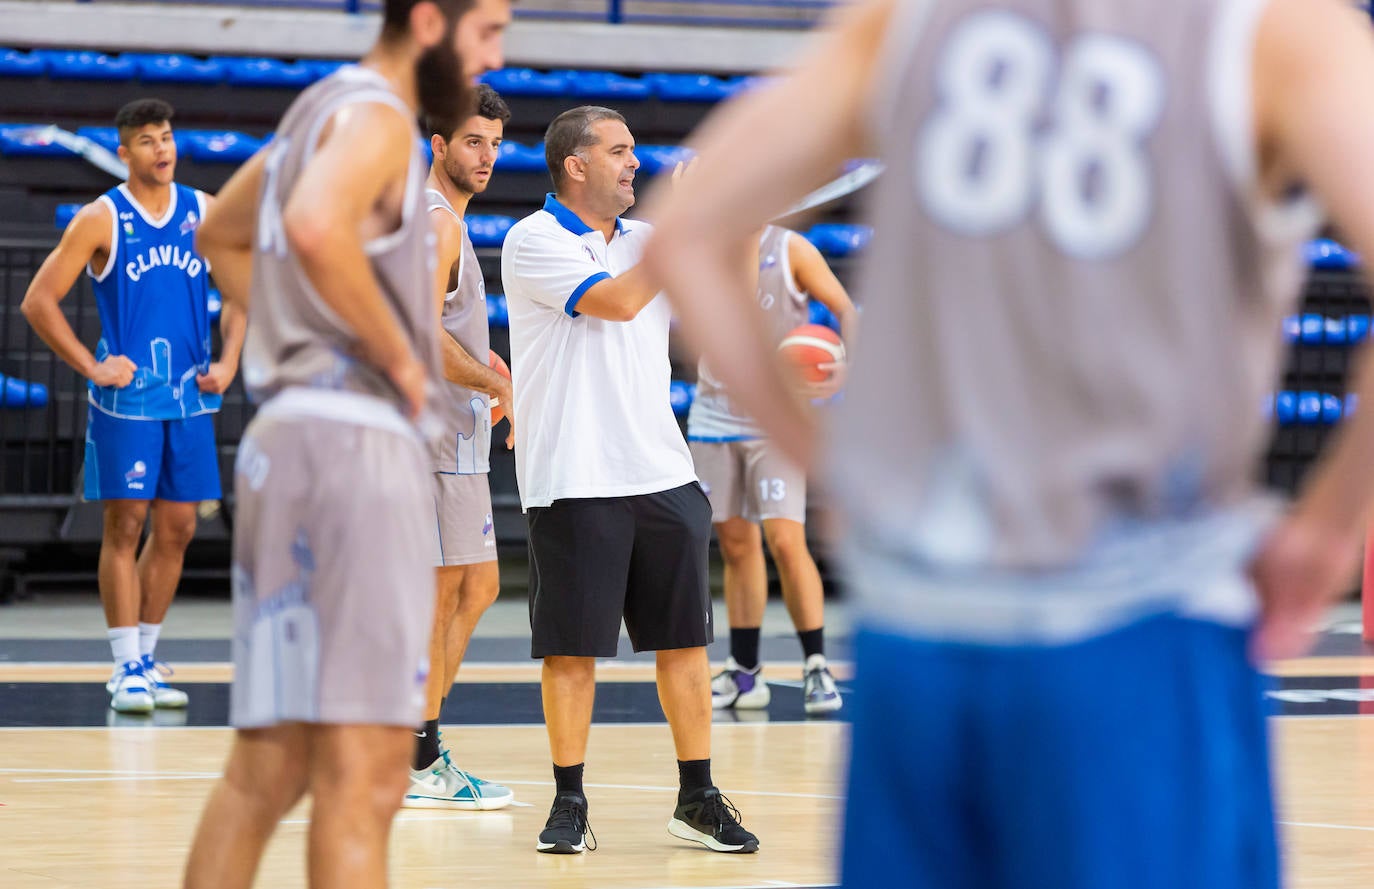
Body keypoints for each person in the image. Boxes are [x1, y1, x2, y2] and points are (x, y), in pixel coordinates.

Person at [643, 0, 1374, 886]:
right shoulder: (1280, 30)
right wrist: (1331, 524)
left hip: (921, 640)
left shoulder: (903, 22)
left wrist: (819, 455)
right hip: (1140, 632)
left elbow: (682, 237)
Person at [180, 1, 509, 886]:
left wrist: (304, 332)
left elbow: (220, 234)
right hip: (354, 449)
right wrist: (399, 358)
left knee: (269, 768)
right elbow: (319, 228)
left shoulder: (321, 107)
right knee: (366, 779)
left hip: (291, 439)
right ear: (432, 21)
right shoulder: (377, 119)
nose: (498, 53)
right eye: (490, 31)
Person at [502, 105, 759, 855]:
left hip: (662, 468)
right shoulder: (534, 240)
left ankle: (697, 796)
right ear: (574, 165)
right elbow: (615, 302)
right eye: (617, 151)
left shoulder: (647, 240)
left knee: (683, 642)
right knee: (573, 650)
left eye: (636, 151)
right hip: (575, 472)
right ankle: (570, 800)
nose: (634, 163)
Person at [21, 98, 241, 715]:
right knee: (126, 525)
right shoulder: (101, 218)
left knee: (180, 527)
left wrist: (230, 360)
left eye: (167, 137)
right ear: (124, 153)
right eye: (147, 140)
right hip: (127, 402)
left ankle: (144, 658)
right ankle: (124, 666)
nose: (162, 149)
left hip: (190, 401)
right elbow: (39, 301)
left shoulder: (204, 210)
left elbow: (242, 287)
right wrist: (91, 366)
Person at [402, 83, 515, 810]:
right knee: (450, 592)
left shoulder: (443, 219)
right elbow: (414, 330)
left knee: (474, 588)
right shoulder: (436, 222)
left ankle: (411, 743)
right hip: (436, 436)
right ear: (439, 145)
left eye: (496, 144)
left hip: (455, 432)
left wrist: (489, 367)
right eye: (473, 141)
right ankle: (416, 754)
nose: (488, 156)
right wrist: (495, 383)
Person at [690, 225, 856, 715]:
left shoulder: (790, 249)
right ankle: (745, 673)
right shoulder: (705, 245)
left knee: (786, 540)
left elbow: (845, 308)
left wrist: (846, 367)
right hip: (714, 411)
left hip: (775, 416)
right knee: (737, 547)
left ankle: (817, 665)